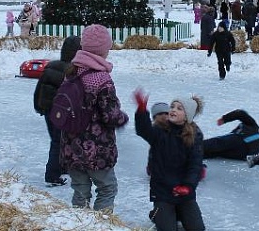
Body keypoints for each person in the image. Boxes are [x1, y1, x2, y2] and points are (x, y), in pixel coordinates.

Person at [60, 24, 129, 212]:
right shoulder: (101, 79)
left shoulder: (71, 72)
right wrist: (123, 118)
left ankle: (79, 221)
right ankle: (101, 223)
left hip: (72, 146)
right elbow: (110, 115)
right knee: (107, 188)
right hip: (97, 150)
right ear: (103, 51)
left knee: (80, 190)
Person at [133, 90, 205, 231]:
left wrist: (188, 186)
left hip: (184, 193)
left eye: (179, 108)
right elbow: (143, 130)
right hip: (163, 191)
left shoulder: (194, 135)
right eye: (172, 106)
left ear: (187, 116)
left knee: (197, 228)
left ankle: (176, 213)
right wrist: (141, 111)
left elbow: (195, 165)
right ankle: (159, 214)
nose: (173, 110)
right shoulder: (160, 130)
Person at [34, 35, 81, 187]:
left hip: (49, 111)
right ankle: (52, 175)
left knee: (58, 140)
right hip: (62, 113)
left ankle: (61, 166)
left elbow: (39, 90)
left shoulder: (51, 67)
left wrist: (39, 107)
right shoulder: (72, 72)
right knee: (59, 142)